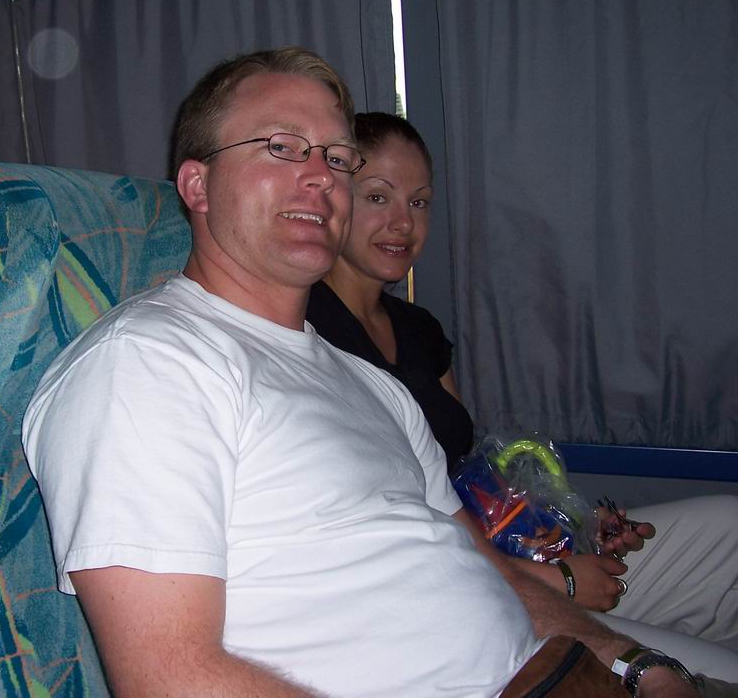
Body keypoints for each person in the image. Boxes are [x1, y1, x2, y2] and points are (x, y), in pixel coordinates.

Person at [22, 47, 705, 697]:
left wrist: (635, 665)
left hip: (559, 676)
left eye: (338, 158)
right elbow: (170, 678)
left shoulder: (370, 384)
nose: (322, 175)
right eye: (281, 147)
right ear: (198, 185)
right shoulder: (149, 364)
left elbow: (495, 574)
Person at [306, 110, 738, 664]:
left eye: (419, 202)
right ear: (335, 198)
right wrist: (555, 581)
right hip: (453, 594)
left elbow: (466, 480)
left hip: (504, 556)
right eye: (377, 197)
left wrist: (569, 528)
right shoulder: (309, 330)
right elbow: (379, 529)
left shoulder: (419, 329)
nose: (403, 223)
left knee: (729, 526)